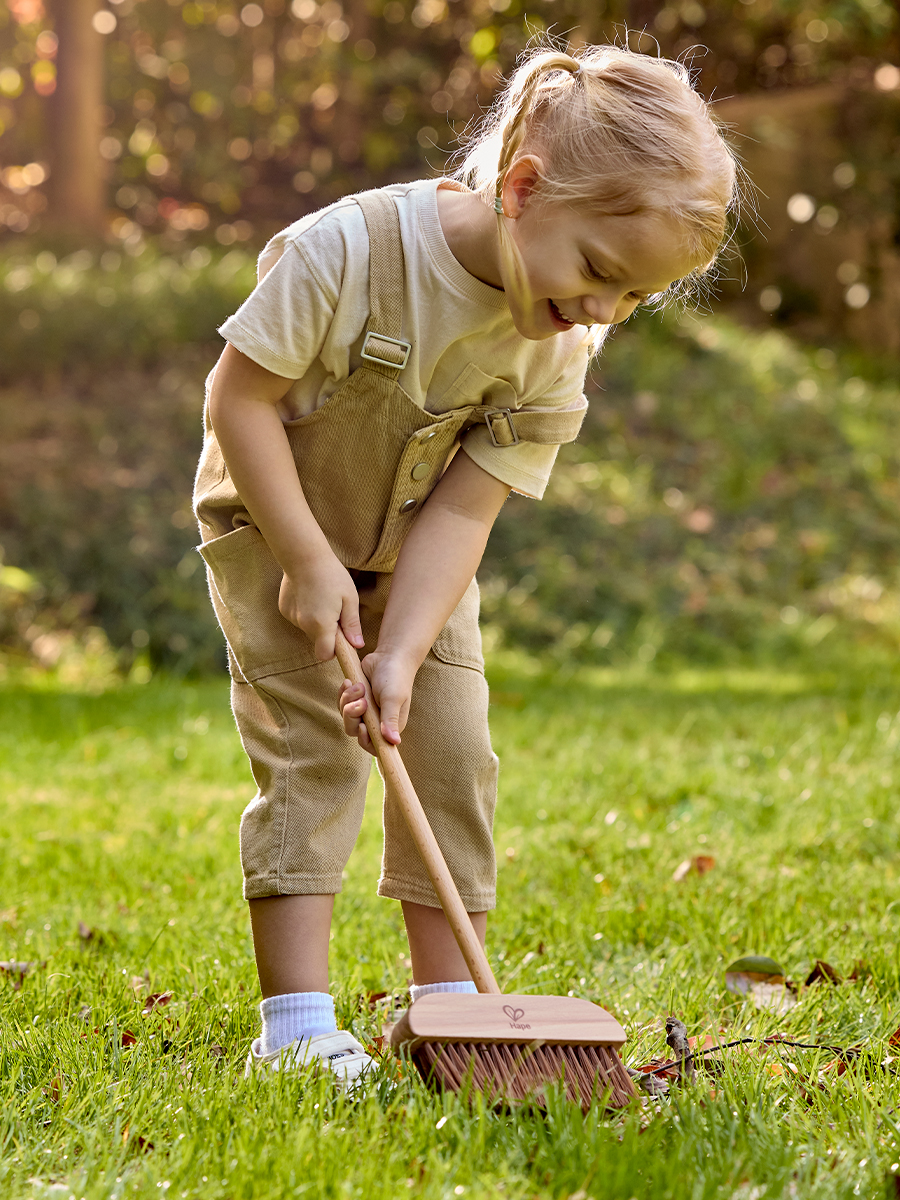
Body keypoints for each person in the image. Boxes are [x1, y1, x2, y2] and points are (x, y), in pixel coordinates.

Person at [194, 42, 738, 1088]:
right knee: (317, 750)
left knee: (448, 748)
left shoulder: (558, 343)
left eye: (635, 300)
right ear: (524, 189)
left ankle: (451, 1016)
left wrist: (401, 650)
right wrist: (306, 559)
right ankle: (297, 1028)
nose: (603, 314)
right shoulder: (345, 253)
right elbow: (239, 402)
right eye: (598, 274)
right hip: (274, 523)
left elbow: (467, 504)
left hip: (414, 546)